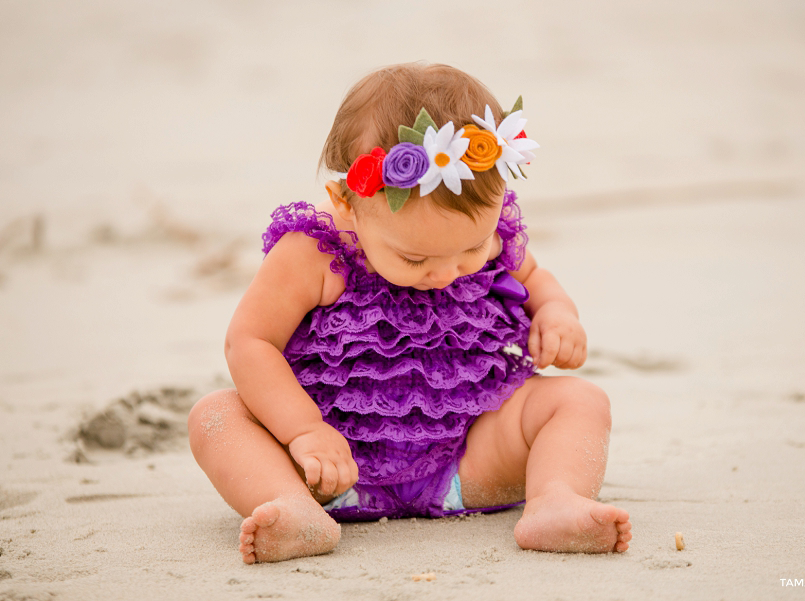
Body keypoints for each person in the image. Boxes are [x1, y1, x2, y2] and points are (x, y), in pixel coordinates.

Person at [188, 62, 632, 564]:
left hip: (467, 458)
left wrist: (557, 314)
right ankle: (291, 507)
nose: (446, 273)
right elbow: (249, 341)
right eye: (415, 259)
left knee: (580, 400)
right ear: (346, 204)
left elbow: (535, 280)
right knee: (216, 416)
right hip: (331, 468)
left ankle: (555, 499)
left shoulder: (490, 236)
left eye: (470, 248)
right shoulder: (314, 253)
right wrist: (303, 430)